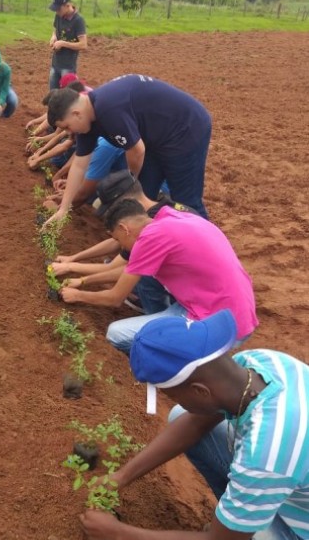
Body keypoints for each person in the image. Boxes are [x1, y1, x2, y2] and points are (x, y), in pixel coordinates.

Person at [79, 309, 309, 540]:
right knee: (183, 425)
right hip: (290, 497)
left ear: (200, 390)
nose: (175, 403)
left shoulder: (270, 449)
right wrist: (120, 478)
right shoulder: (256, 365)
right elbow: (195, 421)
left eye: (174, 395)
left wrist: (119, 534)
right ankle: (246, 525)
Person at [61, 197, 257, 353]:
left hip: (217, 323)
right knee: (148, 281)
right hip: (232, 309)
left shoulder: (150, 239)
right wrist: (83, 280)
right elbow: (128, 272)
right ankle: (170, 336)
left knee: (115, 334)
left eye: (117, 238)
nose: (120, 245)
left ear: (124, 229)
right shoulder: (171, 217)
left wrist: (77, 295)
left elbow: (114, 298)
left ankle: (185, 359)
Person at [44, 74, 212, 223]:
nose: (68, 132)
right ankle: (144, 247)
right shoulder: (87, 122)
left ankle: (205, 249)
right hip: (154, 140)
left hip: (184, 130)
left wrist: (127, 185)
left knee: (185, 201)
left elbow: (136, 151)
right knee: (142, 198)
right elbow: (79, 165)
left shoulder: (108, 108)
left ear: (76, 113)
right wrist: (64, 208)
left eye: (66, 126)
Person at [53, 170, 196, 314]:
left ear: (124, 201)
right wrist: (72, 259)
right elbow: (115, 243)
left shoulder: (150, 229)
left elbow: (120, 269)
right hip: (192, 274)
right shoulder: (159, 208)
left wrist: (75, 272)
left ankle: (158, 317)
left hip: (192, 291)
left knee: (142, 277)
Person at [48, 0, 87, 90]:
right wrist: (54, 37)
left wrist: (63, 43)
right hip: (55, 63)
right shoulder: (58, 15)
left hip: (68, 67)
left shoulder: (78, 20)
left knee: (67, 97)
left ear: (67, 5)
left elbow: (83, 44)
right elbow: (55, 30)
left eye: (58, 9)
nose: (56, 11)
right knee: (53, 95)